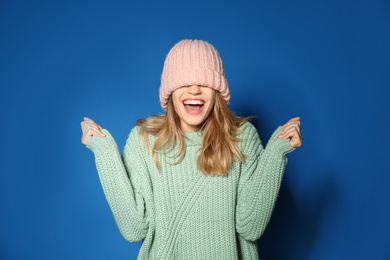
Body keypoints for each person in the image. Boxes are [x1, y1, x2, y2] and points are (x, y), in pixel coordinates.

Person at [80, 39, 302, 260]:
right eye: (184, 82)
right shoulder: (145, 141)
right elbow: (134, 229)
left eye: (204, 82)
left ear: (217, 92)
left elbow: (251, 227)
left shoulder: (242, 137)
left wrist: (276, 154)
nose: (194, 89)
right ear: (169, 92)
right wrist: (104, 152)